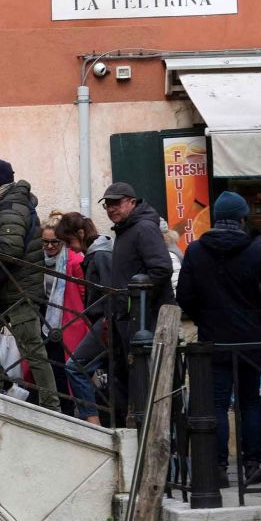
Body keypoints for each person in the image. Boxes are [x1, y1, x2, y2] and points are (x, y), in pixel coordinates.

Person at [176, 191, 261, 487]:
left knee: (216, 404)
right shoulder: (256, 251)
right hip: (250, 340)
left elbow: (184, 296)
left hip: (214, 339)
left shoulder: (196, 251)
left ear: (216, 218)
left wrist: (204, 317)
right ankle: (252, 464)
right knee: (250, 402)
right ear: (242, 219)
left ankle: (218, 468)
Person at [0, 159, 60, 410]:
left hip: (21, 290)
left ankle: (52, 406)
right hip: (12, 288)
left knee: (32, 347)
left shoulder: (10, 206)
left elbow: (11, 248)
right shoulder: (9, 205)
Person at [97, 181, 174, 423]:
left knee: (145, 380)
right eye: (108, 204)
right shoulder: (126, 229)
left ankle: (148, 431)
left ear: (132, 202)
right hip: (129, 317)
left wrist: (136, 299)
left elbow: (162, 269)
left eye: (116, 203)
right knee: (130, 378)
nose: (111, 209)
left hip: (144, 320)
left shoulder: (142, 228)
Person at [59, 212, 115, 424]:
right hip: (104, 320)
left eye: (69, 241)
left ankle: (92, 422)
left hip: (105, 322)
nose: (69, 248)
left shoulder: (99, 256)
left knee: (76, 366)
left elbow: (109, 290)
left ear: (81, 234)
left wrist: (108, 321)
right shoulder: (100, 253)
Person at [37, 220, 88, 415]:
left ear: (63, 242)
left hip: (68, 318)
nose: (49, 246)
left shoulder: (74, 261)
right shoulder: (38, 260)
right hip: (45, 317)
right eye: (45, 242)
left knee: (64, 365)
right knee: (47, 363)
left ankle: (68, 409)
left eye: (55, 242)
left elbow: (83, 291)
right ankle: (51, 406)